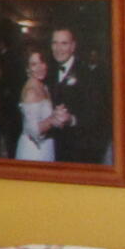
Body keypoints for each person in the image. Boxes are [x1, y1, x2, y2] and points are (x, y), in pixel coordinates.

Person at [47, 23, 110, 164]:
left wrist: (72, 119)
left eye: (64, 43)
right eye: (55, 43)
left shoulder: (87, 74)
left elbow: (97, 115)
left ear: (73, 46)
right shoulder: (47, 72)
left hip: (79, 150)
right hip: (53, 147)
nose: (58, 49)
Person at [13, 48, 60, 162]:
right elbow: (34, 131)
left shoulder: (43, 86)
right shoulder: (31, 92)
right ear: (27, 69)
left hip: (47, 146)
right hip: (33, 151)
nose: (39, 68)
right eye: (34, 64)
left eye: (42, 62)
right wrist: (54, 118)